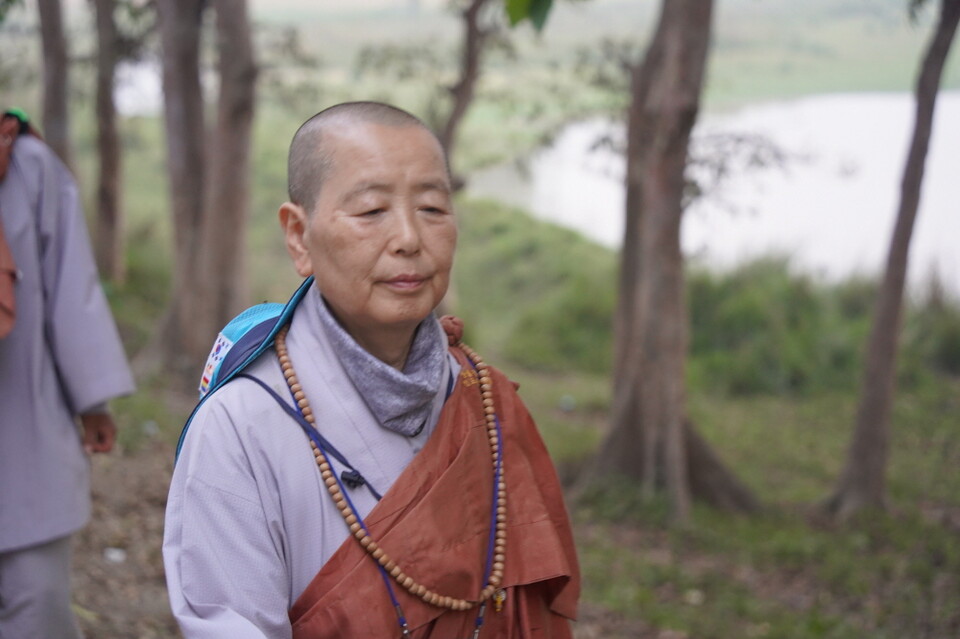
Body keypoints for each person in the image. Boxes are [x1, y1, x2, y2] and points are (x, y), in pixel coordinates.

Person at [163, 101, 580, 638]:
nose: (409, 237)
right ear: (298, 235)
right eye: (371, 212)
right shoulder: (240, 425)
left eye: (432, 208)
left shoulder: (484, 403)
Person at [0, 108, 135, 638]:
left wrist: (92, 400)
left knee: (35, 597)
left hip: (21, 419)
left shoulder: (27, 166)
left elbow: (68, 287)